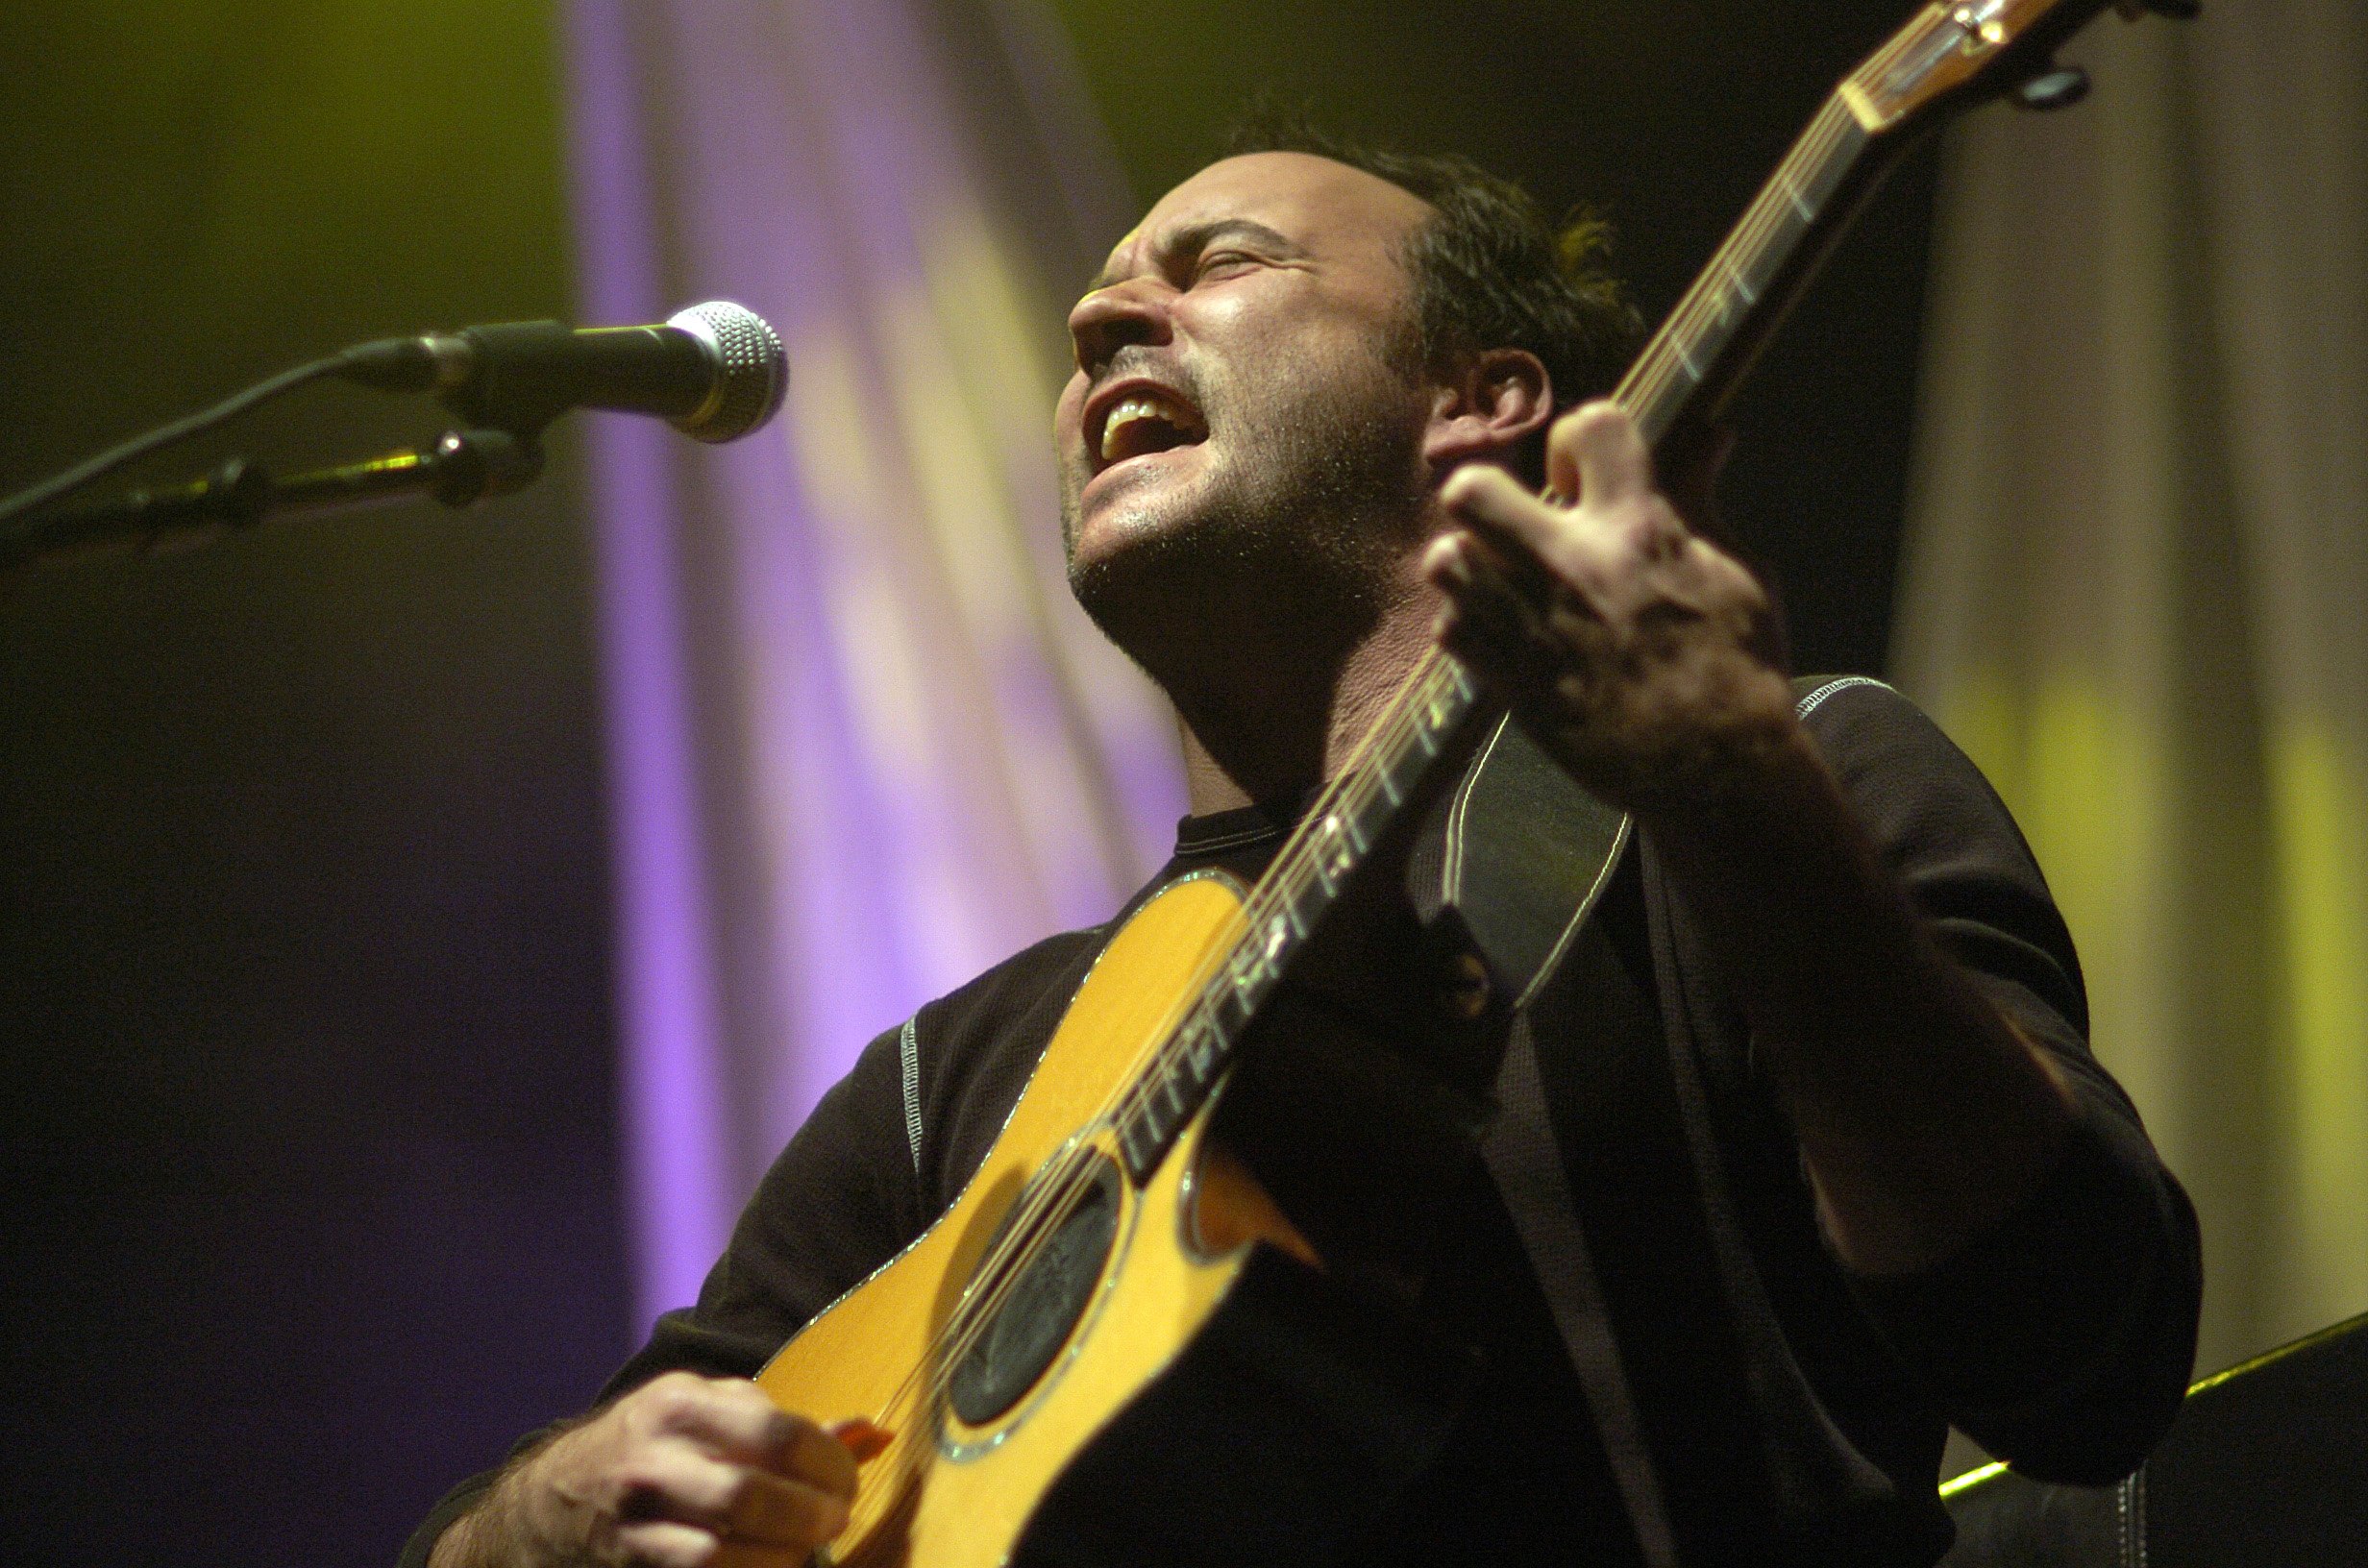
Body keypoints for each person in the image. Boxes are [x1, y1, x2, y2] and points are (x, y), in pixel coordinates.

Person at [407, 124, 2201, 1568]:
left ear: (1484, 398)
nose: (1102, 323)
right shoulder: (946, 1089)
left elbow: (2084, 1353)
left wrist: (1735, 792)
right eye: (1102, 296)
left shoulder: (1774, 779)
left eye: (1222, 264)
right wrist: (544, 1517)